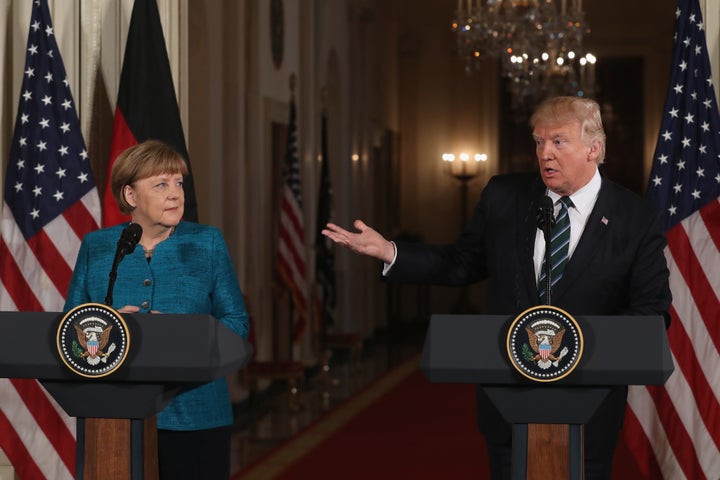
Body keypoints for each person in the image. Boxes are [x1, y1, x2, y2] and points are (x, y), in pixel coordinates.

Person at [322, 96, 671, 480]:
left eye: (558, 141)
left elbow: (652, 311)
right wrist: (390, 251)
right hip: (508, 401)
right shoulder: (504, 197)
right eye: (538, 142)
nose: (545, 154)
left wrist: (581, 348)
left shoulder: (636, 217)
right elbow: (462, 263)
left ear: (594, 148)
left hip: (590, 406)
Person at [64, 139, 249, 479]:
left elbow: (237, 323)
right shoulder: (98, 246)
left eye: (179, 182)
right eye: (161, 185)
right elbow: (70, 328)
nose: (175, 193)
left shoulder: (207, 242)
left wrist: (183, 335)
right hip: (114, 421)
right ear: (131, 196)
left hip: (196, 417)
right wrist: (112, 327)